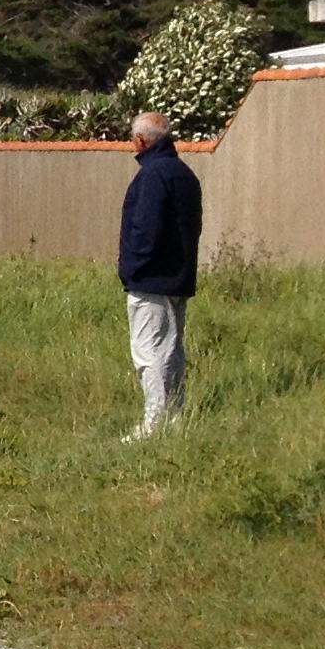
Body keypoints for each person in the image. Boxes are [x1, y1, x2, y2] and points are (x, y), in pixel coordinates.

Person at [116, 109, 203, 439]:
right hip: (178, 277)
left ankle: (154, 423)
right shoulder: (183, 173)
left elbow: (145, 230)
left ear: (141, 140)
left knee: (149, 351)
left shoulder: (152, 176)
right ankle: (175, 418)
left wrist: (130, 269)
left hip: (151, 280)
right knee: (171, 352)